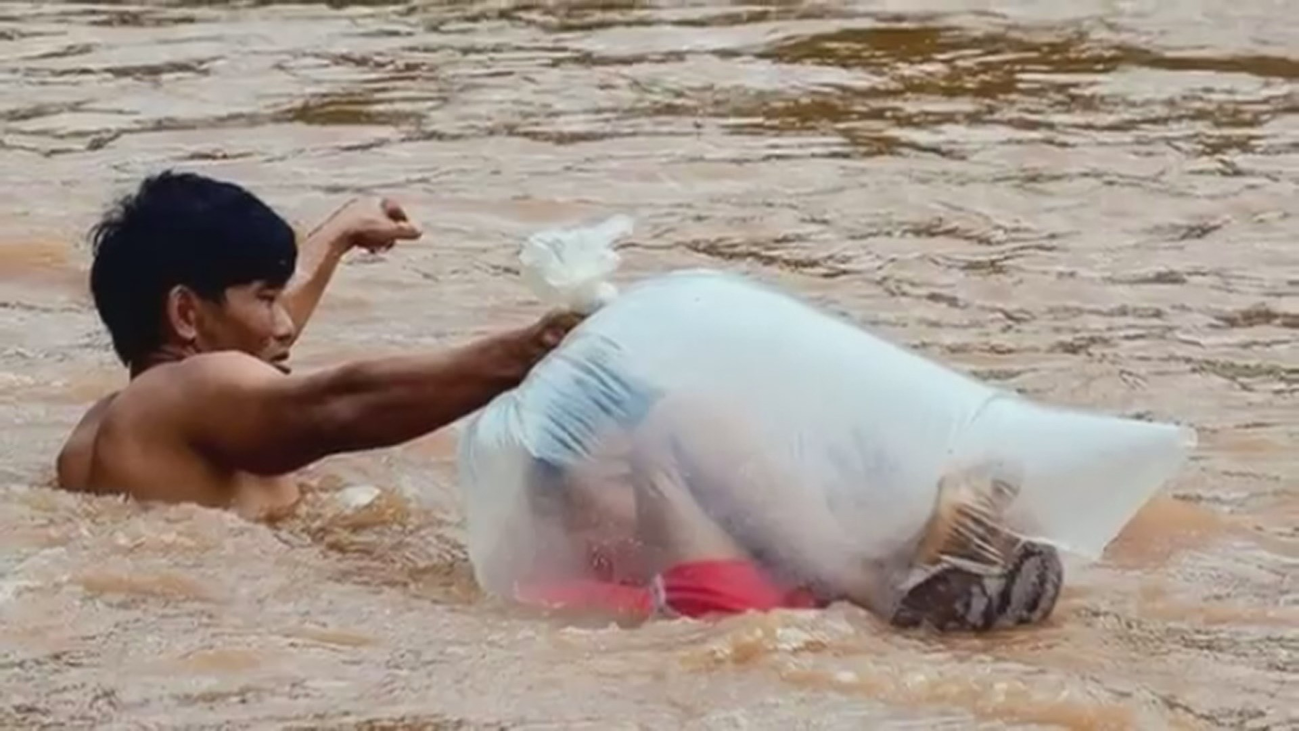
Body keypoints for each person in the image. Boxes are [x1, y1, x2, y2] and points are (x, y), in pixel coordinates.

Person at [56, 171, 582, 520]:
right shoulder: (184, 392)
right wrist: (533, 349)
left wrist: (340, 233)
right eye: (266, 298)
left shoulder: (114, 422)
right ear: (186, 313)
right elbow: (336, 406)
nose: (284, 325)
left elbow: (253, 352)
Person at [502, 370, 1063, 631]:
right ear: (568, 519)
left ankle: (940, 573)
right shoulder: (557, 588)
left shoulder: (776, 530)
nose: (643, 492)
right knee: (678, 420)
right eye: (624, 476)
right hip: (713, 610)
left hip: (800, 603)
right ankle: (887, 586)